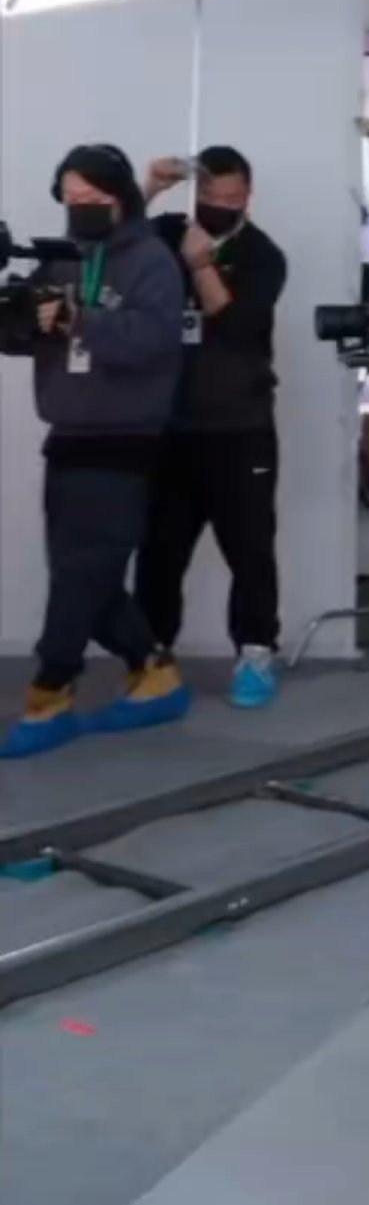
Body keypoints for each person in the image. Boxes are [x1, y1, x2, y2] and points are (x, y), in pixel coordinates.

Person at [0, 145, 190, 759]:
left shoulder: (152, 261)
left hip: (124, 438)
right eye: (72, 197)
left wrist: (77, 319)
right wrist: (18, 317)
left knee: (82, 572)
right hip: (67, 434)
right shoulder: (60, 258)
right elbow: (22, 339)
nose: (81, 207)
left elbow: (152, 342)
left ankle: (50, 691)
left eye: (94, 198)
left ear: (122, 197)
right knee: (83, 573)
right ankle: (155, 675)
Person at [135, 148, 287, 709]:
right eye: (211, 197)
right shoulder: (168, 232)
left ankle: (255, 653)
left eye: (232, 198)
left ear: (248, 196)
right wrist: (149, 187)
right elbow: (114, 245)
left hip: (240, 429)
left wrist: (200, 267)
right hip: (170, 427)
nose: (221, 206)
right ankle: (153, 657)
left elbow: (239, 325)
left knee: (250, 549)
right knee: (159, 551)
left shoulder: (262, 255)